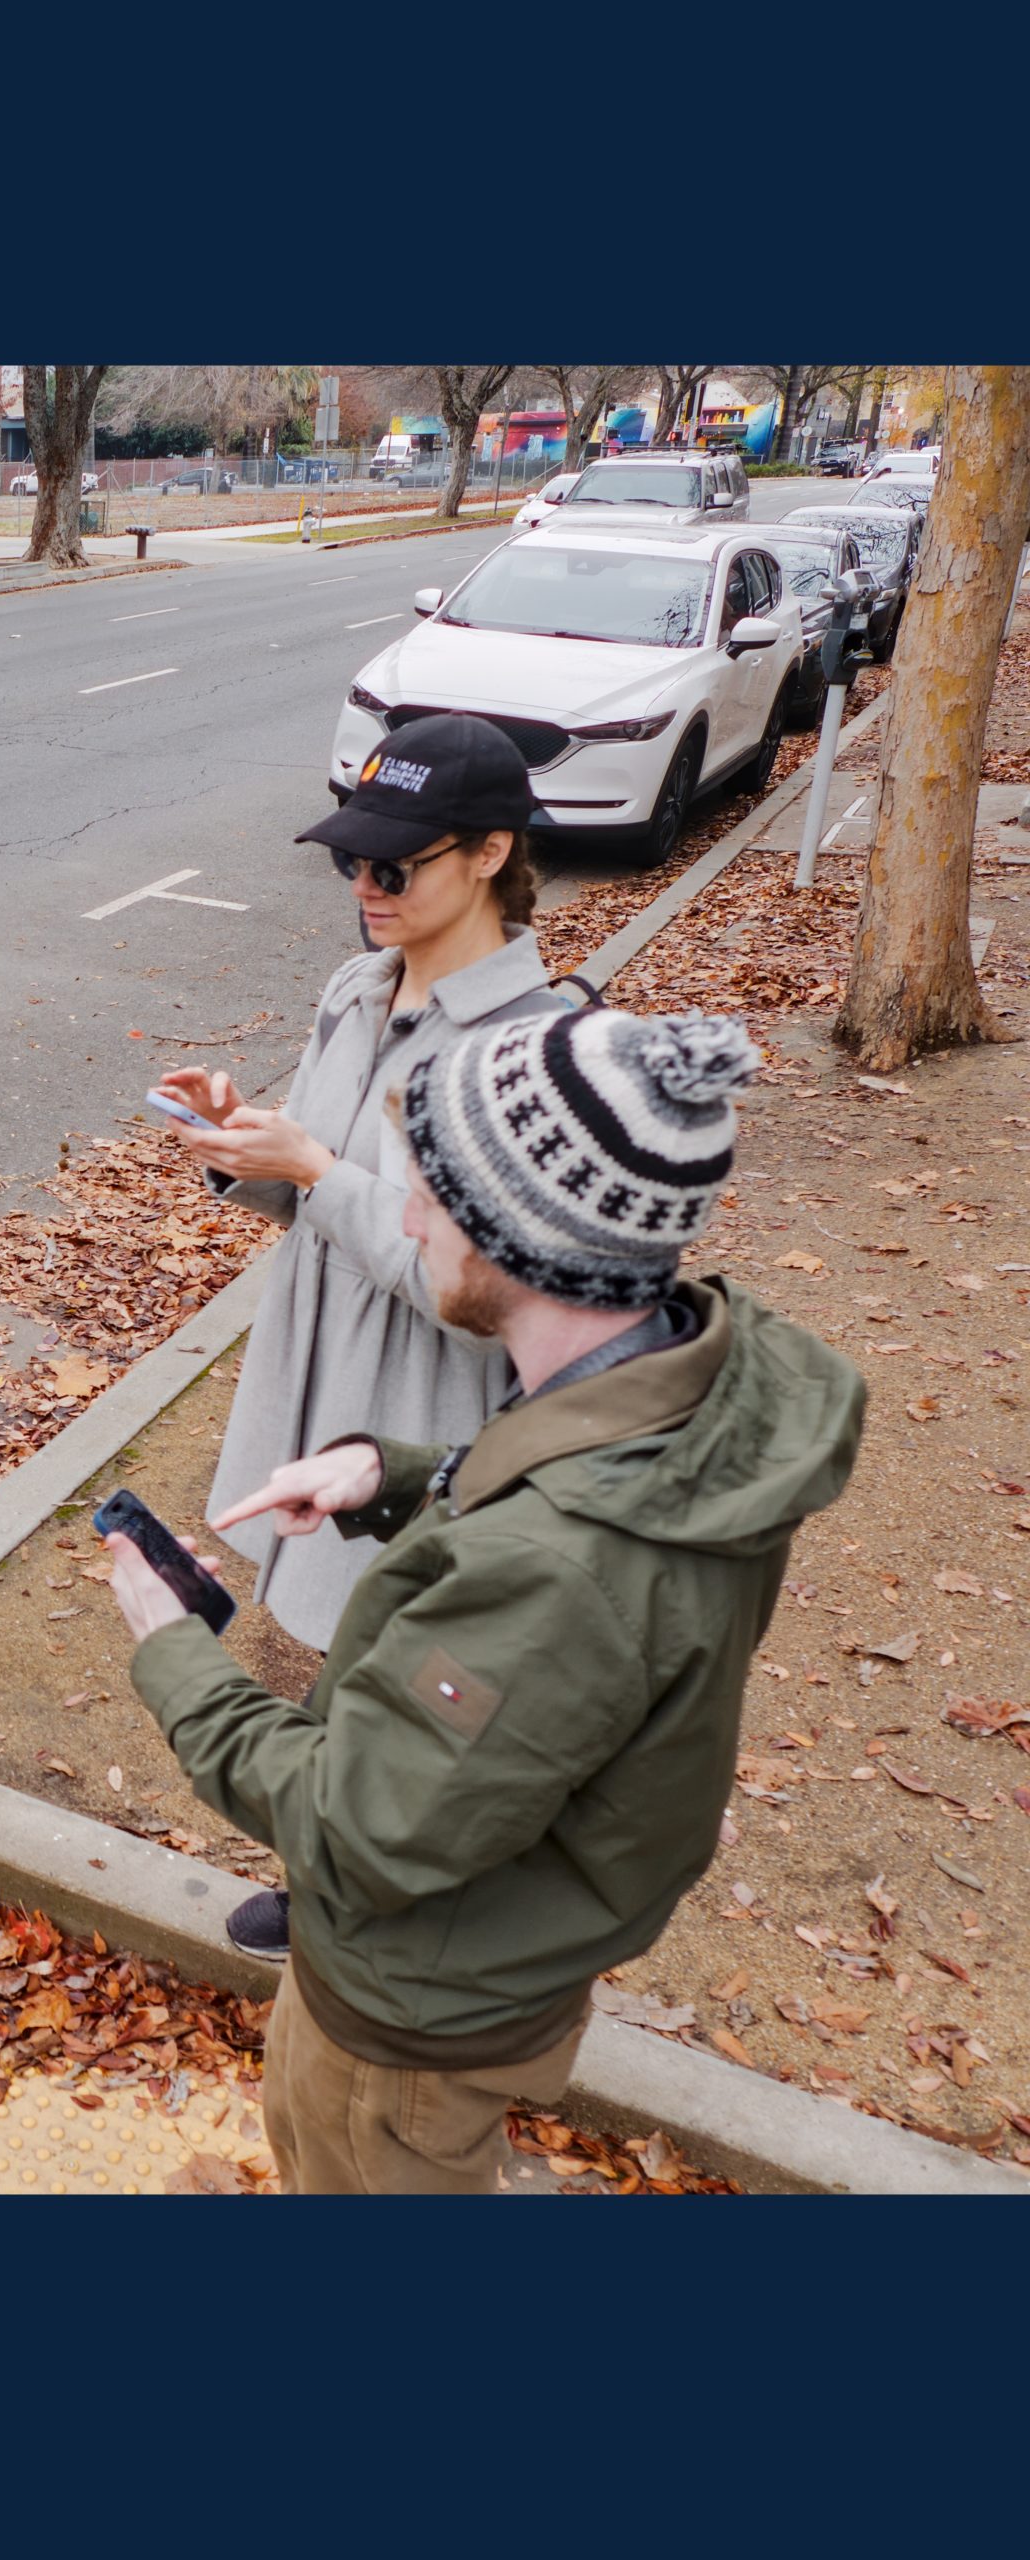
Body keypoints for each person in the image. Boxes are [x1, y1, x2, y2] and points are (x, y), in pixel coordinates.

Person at [105, 1006, 862, 2194]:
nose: (402, 1217)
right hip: (508, 1944)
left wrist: (168, 1648)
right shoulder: (684, 1374)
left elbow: (359, 1828)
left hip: (415, 2012)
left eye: (429, 1194)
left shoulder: (559, 1571)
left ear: (522, 1234)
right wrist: (396, 1474)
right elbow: (568, 1498)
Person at [154, 714, 568, 1955]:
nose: (365, 888)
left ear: (491, 852)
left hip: (416, 1404)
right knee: (336, 1647)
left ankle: (354, 1892)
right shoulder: (357, 987)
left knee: (387, 1659)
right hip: (313, 1367)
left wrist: (317, 1168)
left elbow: (478, 1290)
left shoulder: (523, 1046)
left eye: (396, 866)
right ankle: (334, 1870)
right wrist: (246, 1145)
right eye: (351, 862)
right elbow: (315, 1185)